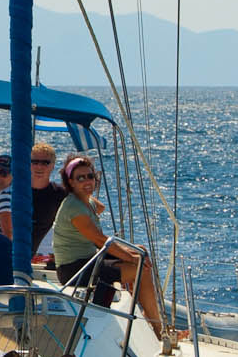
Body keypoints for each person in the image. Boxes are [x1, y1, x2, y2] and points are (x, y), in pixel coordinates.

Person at [52, 156, 166, 338]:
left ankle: (146, 313)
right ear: (70, 182)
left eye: (90, 176)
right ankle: (159, 329)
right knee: (140, 268)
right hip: (74, 269)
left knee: (140, 251)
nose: (87, 181)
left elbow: (100, 207)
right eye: (80, 178)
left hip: (89, 259)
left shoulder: (84, 201)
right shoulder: (74, 208)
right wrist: (130, 257)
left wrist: (85, 191)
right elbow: (99, 240)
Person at [28, 142, 67, 260]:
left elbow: (95, 207)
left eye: (45, 163)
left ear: (53, 166)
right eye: (35, 162)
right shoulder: (16, 191)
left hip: (31, 255)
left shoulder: (60, 193)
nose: (39, 166)